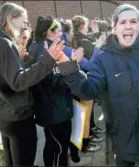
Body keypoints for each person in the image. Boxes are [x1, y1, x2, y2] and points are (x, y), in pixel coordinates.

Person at [54, 4, 139, 166]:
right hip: (123, 138)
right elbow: (88, 90)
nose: (128, 26)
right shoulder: (104, 58)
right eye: (123, 22)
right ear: (114, 27)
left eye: (133, 21)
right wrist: (70, 68)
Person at [0, 2, 65, 167]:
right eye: (24, 22)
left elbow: (5, 77)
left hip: (4, 114)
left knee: (11, 162)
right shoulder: (4, 44)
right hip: (18, 117)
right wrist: (48, 60)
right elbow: (18, 82)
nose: (26, 27)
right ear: (10, 18)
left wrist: (20, 60)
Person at [29, 16, 92, 166]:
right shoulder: (49, 50)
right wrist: (74, 63)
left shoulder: (37, 46)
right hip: (55, 108)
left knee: (52, 144)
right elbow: (53, 79)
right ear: (49, 33)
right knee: (59, 147)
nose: (61, 32)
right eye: (58, 29)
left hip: (50, 106)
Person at [72, 15, 106, 152]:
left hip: (82, 79)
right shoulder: (82, 40)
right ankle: (86, 142)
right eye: (86, 25)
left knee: (86, 115)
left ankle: (90, 135)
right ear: (82, 26)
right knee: (85, 115)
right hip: (85, 78)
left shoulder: (78, 38)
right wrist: (98, 39)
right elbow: (96, 52)